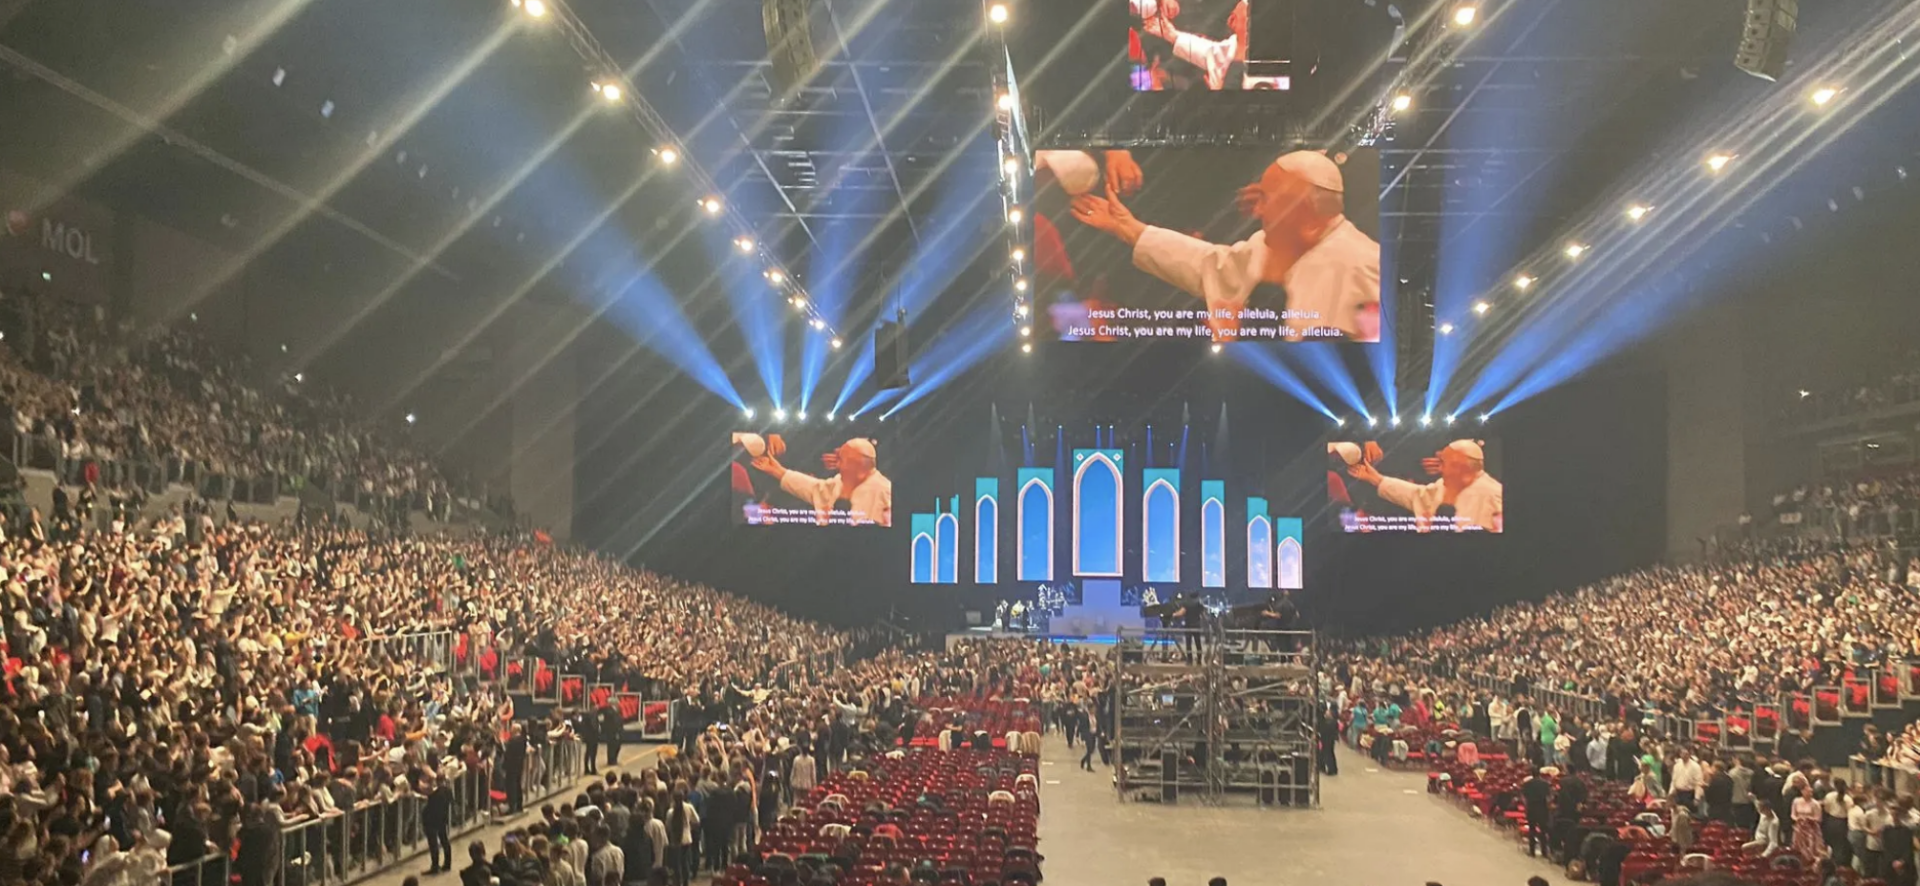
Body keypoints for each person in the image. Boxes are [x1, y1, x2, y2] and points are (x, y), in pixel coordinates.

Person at [1071, 150, 1380, 342]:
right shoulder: (1267, 244)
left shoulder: (1367, 268)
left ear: (1304, 209)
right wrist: (1130, 229)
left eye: (1266, 200)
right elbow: (1210, 264)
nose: (1256, 211)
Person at [1345, 440, 1504, 533]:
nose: (1439, 469)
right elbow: (1416, 495)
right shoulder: (1445, 484)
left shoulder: (1494, 496)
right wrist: (1376, 479)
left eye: (1443, 463)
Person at [748, 438, 892, 526]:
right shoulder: (841, 481)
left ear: (858, 465)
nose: (837, 465)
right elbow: (815, 489)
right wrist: (778, 471)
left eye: (841, 460)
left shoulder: (884, 493)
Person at [1521, 767, 1553, 858]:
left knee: (1532, 830)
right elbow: (1549, 797)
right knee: (1543, 831)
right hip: (1542, 808)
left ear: (1532, 774)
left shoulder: (1527, 784)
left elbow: (1523, 797)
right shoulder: (1545, 784)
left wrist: (1527, 805)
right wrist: (1548, 805)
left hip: (1531, 808)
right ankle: (1544, 852)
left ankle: (1532, 852)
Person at [1793, 785, 1826, 862]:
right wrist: (1798, 819)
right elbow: (1793, 814)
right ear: (1802, 792)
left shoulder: (1815, 803)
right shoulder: (1796, 801)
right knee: (1798, 847)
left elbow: (1819, 818)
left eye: (1811, 792)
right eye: (1807, 791)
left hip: (1811, 829)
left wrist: (1809, 819)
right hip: (1799, 828)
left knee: (1811, 848)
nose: (1809, 793)